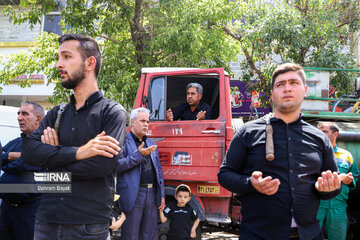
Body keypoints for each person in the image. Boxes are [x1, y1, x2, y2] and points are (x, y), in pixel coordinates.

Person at [218, 63, 344, 240]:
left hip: (308, 235)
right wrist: (250, 183)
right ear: (272, 93)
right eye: (280, 84)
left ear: (305, 90)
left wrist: (328, 188)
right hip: (258, 235)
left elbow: (332, 185)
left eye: (294, 83)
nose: (287, 89)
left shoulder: (319, 138)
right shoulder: (247, 132)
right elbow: (224, 175)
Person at [22, 34, 127, 240]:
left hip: (88, 227)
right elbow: (29, 152)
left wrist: (51, 163)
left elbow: (100, 166)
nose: (58, 64)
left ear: (90, 63)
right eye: (59, 57)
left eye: (67, 57)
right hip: (46, 222)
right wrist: (80, 152)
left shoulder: (113, 113)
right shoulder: (56, 113)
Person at [116, 107, 165, 240]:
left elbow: (159, 172)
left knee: (149, 235)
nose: (146, 124)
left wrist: (162, 195)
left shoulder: (151, 144)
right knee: (131, 235)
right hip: (133, 194)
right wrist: (138, 155)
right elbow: (117, 166)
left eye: (147, 122)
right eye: (142, 121)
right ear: (132, 122)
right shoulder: (123, 142)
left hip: (151, 194)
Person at [0, 102, 45, 240]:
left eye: (24, 113)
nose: (19, 117)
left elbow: (19, 165)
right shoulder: (16, 142)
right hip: (6, 210)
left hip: (29, 212)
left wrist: (5, 161)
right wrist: (9, 156)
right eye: (18, 113)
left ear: (38, 119)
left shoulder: (45, 143)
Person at [316, 122, 359, 240]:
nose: (320, 134)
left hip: (338, 207)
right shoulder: (313, 154)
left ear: (335, 134)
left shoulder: (346, 155)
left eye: (324, 131)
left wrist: (349, 181)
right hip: (315, 205)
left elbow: (355, 176)